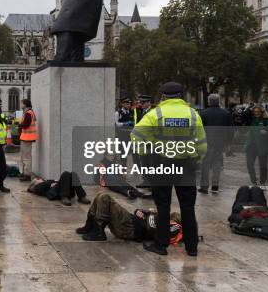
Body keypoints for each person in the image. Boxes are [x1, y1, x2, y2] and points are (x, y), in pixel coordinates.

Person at [131, 81, 207, 256]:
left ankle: (161, 245)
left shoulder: (155, 114)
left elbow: (136, 136)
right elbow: (202, 144)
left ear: (163, 96)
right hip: (186, 165)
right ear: (181, 95)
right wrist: (196, 159)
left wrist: (147, 154)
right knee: (188, 207)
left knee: (163, 206)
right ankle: (192, 247)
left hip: (162, 164)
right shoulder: (193, 114)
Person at [76, 193, 182, 243]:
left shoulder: (173, 227)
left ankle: (98, 232)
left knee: (105, 198)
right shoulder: (161, 219)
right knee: (100, 195)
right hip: (130, 221)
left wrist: (152, 216)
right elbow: (140, 213)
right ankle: (90, 225)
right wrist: (140, 212)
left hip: (131, 229)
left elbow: (151, 228)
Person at [199, 93, 233, 194]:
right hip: (220, 143)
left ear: (209, 102)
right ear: (218, 102)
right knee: (217, 164)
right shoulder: (226, 113)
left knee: (205, 164)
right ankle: (215, 186)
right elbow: (231, 130)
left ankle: (204, 187)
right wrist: (228, 143)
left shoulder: (203, 113)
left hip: (207, 142)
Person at [245, 104, 268, 186]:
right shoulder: (251, 119)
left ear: (261, 112)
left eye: (258, 111)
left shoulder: (266, 119)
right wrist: (249, 109)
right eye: (255, 112)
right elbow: (244, 115)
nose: (256, 113)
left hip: (262, 146)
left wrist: (266, 132)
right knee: (249, 163)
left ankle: (262, 181)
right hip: (251, 145)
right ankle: (253, 180)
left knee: (263, 165)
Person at [18, 98, 37, 182]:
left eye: (21, 103)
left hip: (27, 138)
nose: (20, 105)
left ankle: (27, 174)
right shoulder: (27, 112)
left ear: (25, 104)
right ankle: (24, 173)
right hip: (25, 137)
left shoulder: (28, 113)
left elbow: (25, 125)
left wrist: (19, 125)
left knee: (27, 157)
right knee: (24, 157)